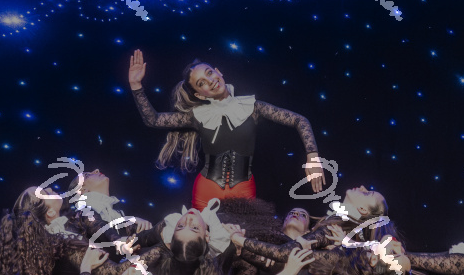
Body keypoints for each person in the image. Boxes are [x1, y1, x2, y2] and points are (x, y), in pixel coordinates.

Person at [127, 49, 325, 208]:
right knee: (204, 242)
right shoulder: (197, 116)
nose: (210, 81)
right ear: (200, 95)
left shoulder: (253, 107)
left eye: (209, 73)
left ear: (218, 72)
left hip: (244, 190)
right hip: (206, 190)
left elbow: (300, 120)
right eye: (201, 83)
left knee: (239, 242)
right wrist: (136, 85)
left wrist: (313, 157)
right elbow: (153, 120)